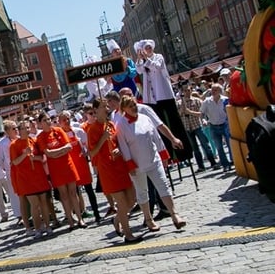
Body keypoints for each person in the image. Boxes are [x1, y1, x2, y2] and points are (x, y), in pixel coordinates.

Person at [115, 96, 187, 232]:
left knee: (164, 186)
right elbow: (124, 147)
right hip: (137, 164)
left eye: (134, 104)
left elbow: (156, 137)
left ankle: (174, 214)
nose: (134, 107)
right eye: (130, 106)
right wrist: (129, 164)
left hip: (154, 159)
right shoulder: (121, 125)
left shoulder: (144, 118)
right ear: (124, 109)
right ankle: (148, 218)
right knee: (142, 192)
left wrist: (163, 154)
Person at [85, 100, 139, 243]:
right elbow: (92, 153)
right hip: (107, 169)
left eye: (106, 106)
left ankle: (117, 220)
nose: (106, 109)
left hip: (119, 165)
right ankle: (128, 234)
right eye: (103, 107)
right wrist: (102, 139)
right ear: (95, 110)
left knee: (131, 199)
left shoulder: (111, 125)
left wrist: (118, 150)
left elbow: (119, 142)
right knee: (121, 202)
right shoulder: (93, 129)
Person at [134, 39, 192, 162]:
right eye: (146, 48)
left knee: (174, 121)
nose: (149, 50)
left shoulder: (158, 57)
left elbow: (156, 66)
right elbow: (138, 70)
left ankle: (183, 152)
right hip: (151, 98)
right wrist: (140, 59)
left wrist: (146, 60)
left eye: (150, 47)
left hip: (164, 94)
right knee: (158, 124)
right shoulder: (143, 62)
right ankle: (167, 154)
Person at [35, 111, 85, 230]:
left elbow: (69, 146)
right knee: (64, 195)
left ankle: (80, 218)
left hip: (68, 165)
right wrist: (60, 152)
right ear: (40, 123)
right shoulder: (40, 137)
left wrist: (56, 152)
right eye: (44, 120)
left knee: (73, 192)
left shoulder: (58, 130)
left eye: (48, 119)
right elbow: (48, 153)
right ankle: (70, 220)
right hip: (55, 169)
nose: (47, 122)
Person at [178, 84, 218, 171]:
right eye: (185, 91)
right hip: (187, 128)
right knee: (195, 148)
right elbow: (179, 114)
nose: (187, 92)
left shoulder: (197, 101)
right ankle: (201, 166)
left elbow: (202, 113)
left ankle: (213, 163)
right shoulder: (179, 103)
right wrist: (183, 106)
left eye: (188, 90)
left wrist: (190, 112)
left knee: (205, 145)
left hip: (198, 126)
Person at [0, 121, 23, 228]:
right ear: (6, 132)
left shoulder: (20, 139)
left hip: (23, 169)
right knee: (14, 194)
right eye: (13, 128)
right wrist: (6, 168)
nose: (16, 130)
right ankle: (19, 215)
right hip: (11, 171)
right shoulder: (1, 144)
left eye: (16, 128)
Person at [200, 83, 234, 171]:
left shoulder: (225, 100)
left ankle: (233, 161)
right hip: (213, 126)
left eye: (215, 90)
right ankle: (225, 165)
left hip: (225, 125)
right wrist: (203, 120)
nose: (213, 91)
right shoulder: (207, 102)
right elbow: (202, 113)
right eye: (212, 89)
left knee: (230, 145)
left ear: (220, 91)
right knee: (219, 147)